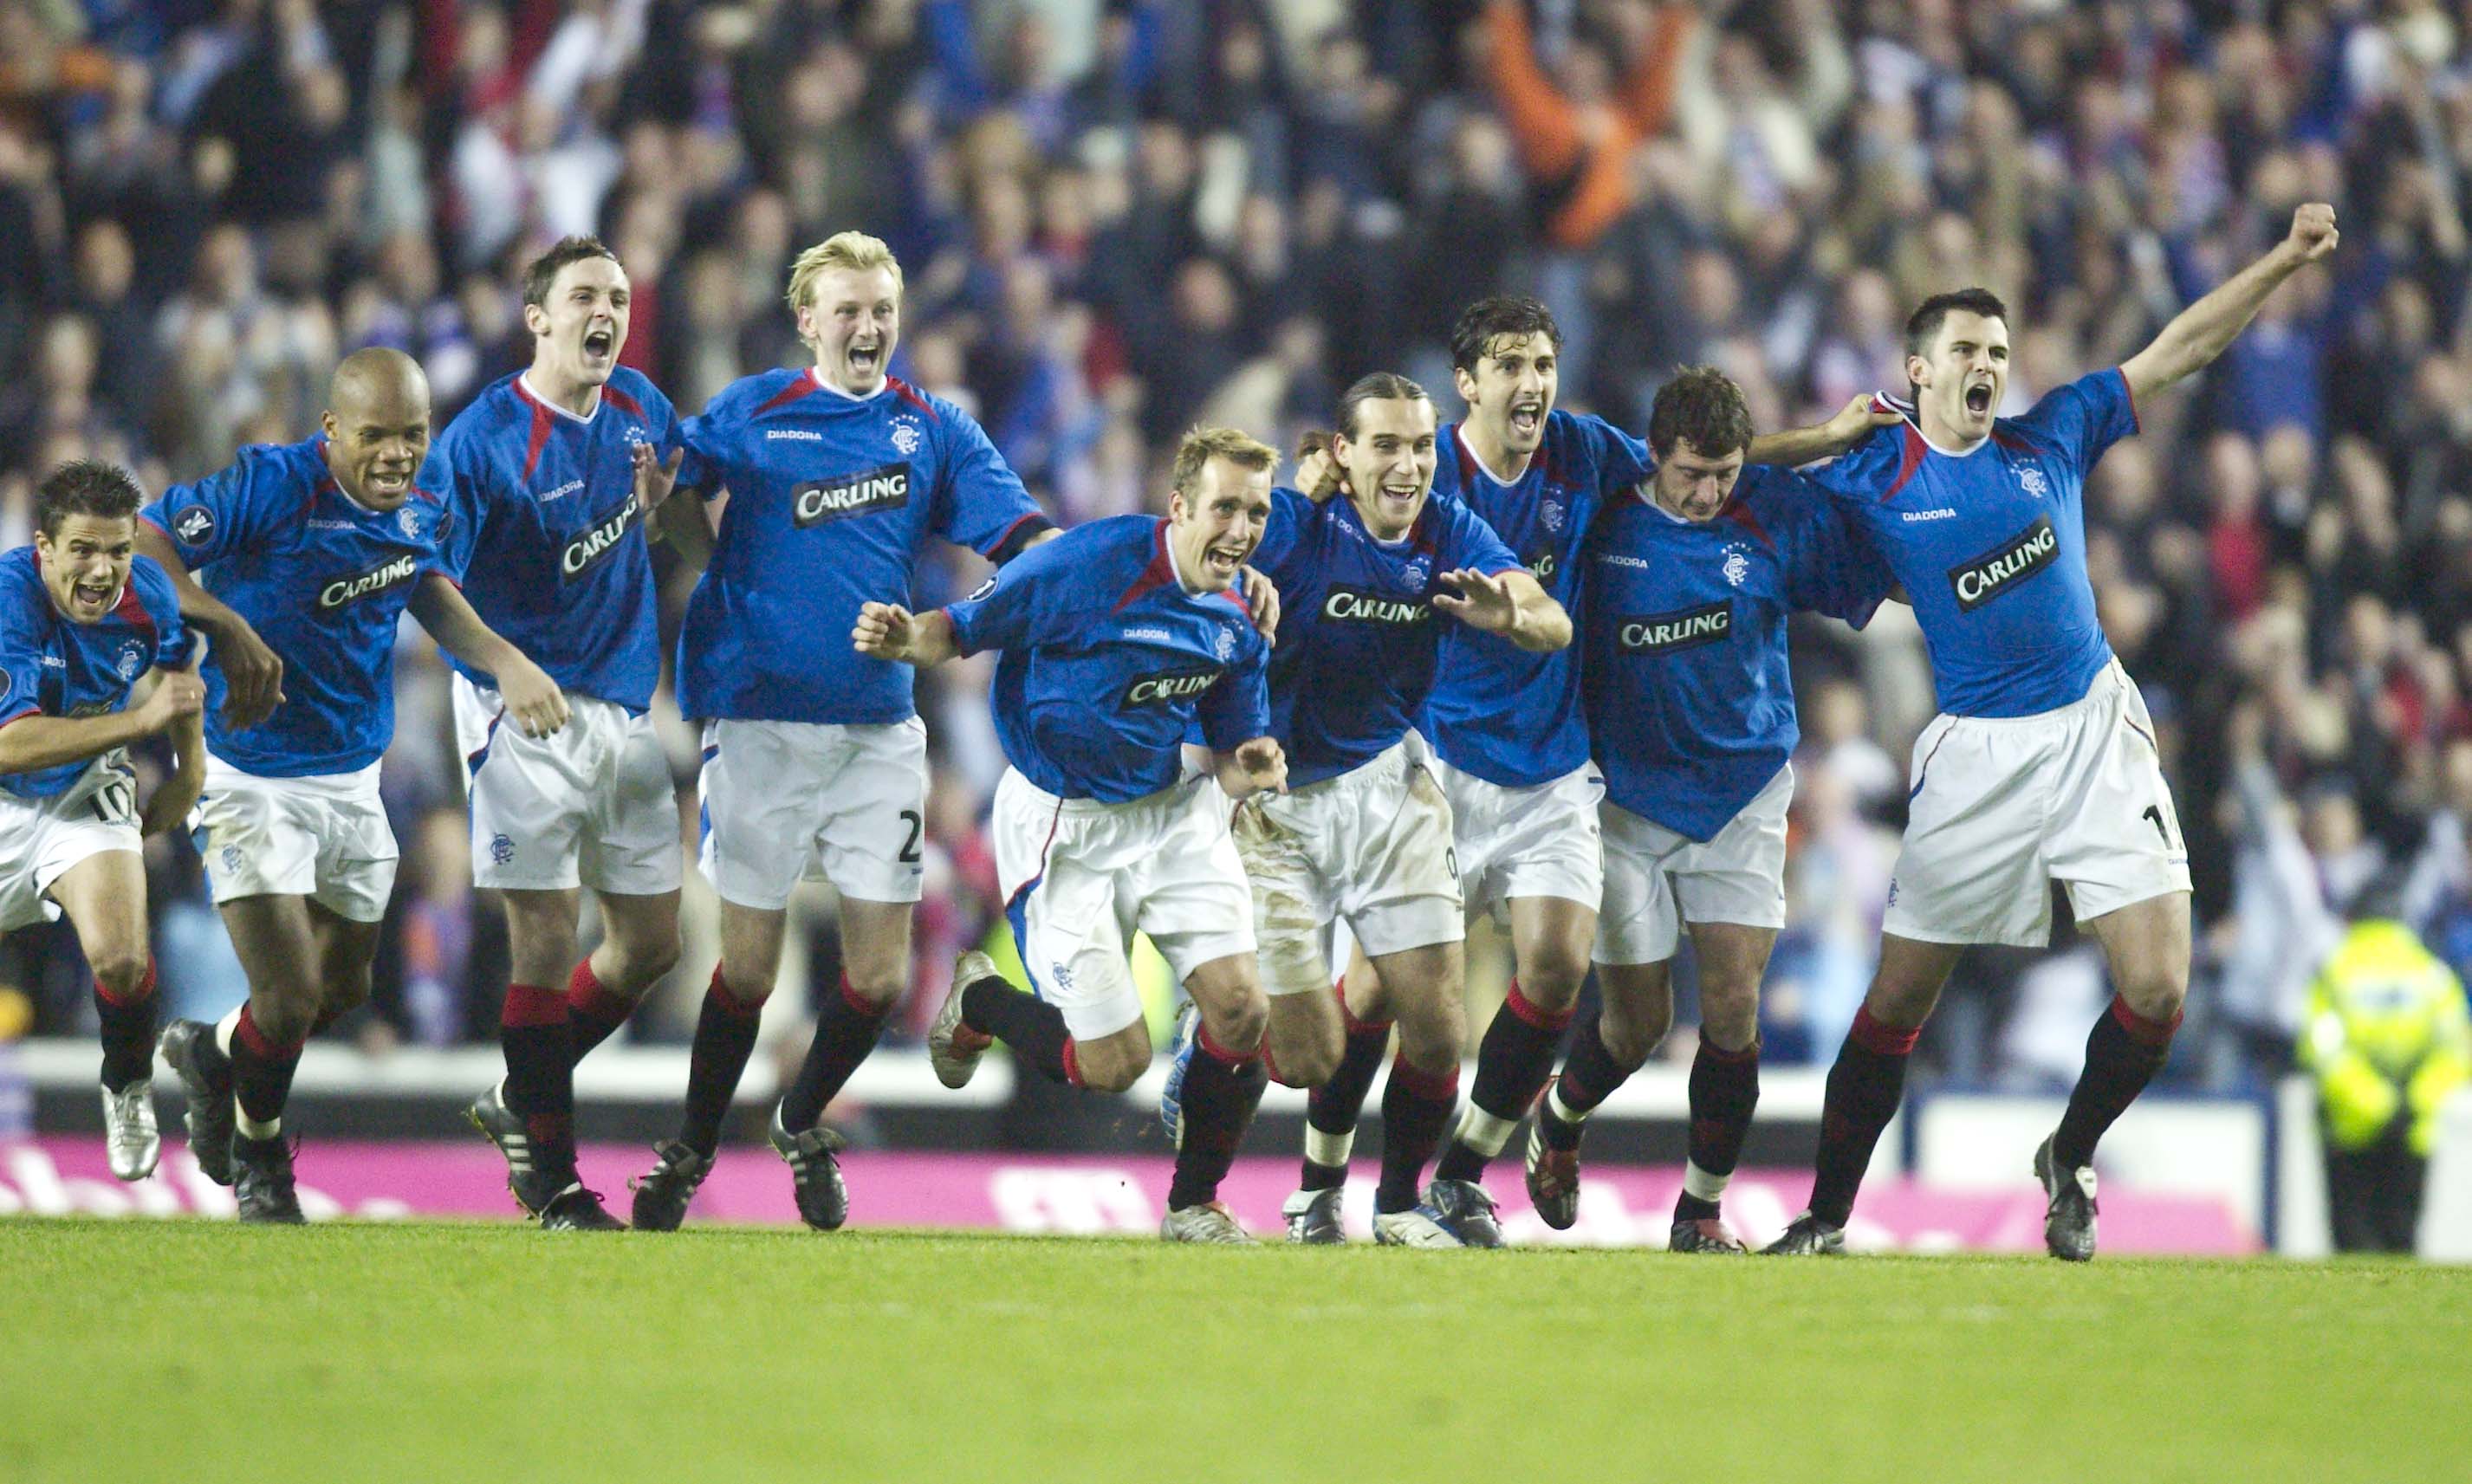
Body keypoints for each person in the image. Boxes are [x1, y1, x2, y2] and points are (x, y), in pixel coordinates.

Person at [1764, 204, 2342, 1260]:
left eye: (1999, 349)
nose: (1987, 364)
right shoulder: (1872, 474)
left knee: (2160, 987)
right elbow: (1713, 477)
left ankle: (2068, 1155)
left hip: (2091, 728)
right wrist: (1822, 436)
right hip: (1976, 753)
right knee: (1898, 1000)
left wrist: (2283, 261)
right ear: (1918, 370)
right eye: (1966, 351)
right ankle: (1825, 1215)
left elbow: (2183, 346)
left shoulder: (2053, 434)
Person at [1314, 296, 1884, 1213]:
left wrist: (1819, 438)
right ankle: (1319, 1183)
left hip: (1555, 769)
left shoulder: (1585, 455)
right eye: (1510, 364)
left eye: (1542, 362)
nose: (1531, 381)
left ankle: (1466, 1177)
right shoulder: (1428, 475)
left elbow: (1699, 475)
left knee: (1562, 973)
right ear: (1467, 384)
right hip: (1441, 762)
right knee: (1382, 995)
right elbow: (1339, 519)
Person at [626, 231, 1056, 1233]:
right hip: (761, 724)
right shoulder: (757, 410)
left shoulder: (932, 430)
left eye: (881, 311)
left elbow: (1029, 543)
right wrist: (664, 508)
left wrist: (960, 624)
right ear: (808, 320)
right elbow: (673, 488)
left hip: (875, 730)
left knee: (878, 977)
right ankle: (689, 1148)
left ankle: (801, 1115)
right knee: (745, 971)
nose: (867, 327)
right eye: (847, 310)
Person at [144, 347, 568, 1222]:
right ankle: (263, 1158)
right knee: (291, 997)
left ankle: (215, 1052)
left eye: (413, 435)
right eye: (375, 436)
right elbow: (147, 544)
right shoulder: (271, 486)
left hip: (351, 777)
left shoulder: (422, 501)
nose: (396, 455)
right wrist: (221, 623)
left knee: (337, 991)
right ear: (332, 430)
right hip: (248, 773)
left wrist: (503, 658)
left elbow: (426, 587)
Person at [860, 426, 1288, 1242]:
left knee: (1241, 1009)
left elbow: (1237, 728)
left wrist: (1253, 755)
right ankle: (980, 995)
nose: (1240, 530)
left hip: (1171, 810)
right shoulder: (1085, 565)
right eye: (1224, 508)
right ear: (1178, 507)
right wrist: (901, 638)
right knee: (1113, 1065)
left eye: (1257, 514)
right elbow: (956, 627)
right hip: (1065, 822)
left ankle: (1192, 1205)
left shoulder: (1240, 609)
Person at [1524, 367, 1894, 1252]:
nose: (1707, 493)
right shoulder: (1605, 513)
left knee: (1732, 1011)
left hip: (1742, 793)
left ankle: (1699, 1211)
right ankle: (1561, 1115)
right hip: (1624, 802)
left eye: (1724, 473)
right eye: (1691, 473)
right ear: (1654, 456)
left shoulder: (1769, 509)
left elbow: (1874, 582)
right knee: (1639, 1023)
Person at [1220, 373, 1567, 1247]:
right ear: (1343, 453)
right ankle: (1304, 1176)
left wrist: (1512, 615)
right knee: (1305, 1057)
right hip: (1280, 801)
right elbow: (1202, 553)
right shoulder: (1295, 525)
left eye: (1420, 445)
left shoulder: (1450, 530)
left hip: (1391, 788)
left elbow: (1550, 618)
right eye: (1386, 445)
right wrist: (1234, 591)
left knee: (1441, 1027)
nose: (1408, 465)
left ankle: (1401, 1204)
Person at [433, 236, 688, 1232]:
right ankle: (552, 1178)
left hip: (621, 704)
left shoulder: (641, 412)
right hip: (519, 702)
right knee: (544, 934)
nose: (608, 314)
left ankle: (517, 1096)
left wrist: (666, 521)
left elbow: (668, 533)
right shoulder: (483, 440)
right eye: (586, 296)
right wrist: (503, 663)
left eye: (620, 298)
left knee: (650, 943)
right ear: (537, 316)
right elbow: (426, 577)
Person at [0, 460, 207, 1182]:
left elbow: (181, 672)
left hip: (85, 786)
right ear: (43, 547)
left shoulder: (148, 594)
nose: (103, 570)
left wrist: (192, 774)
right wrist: (138, 718)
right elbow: (10, 742)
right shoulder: (8, 598)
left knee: (122, 956)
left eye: (117, 550)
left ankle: (126, 1084)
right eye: (83, 550)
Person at [2301, 898, 2471, 1254]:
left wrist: (2377, 1103)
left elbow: (2324, 1049)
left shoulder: (2336, 970)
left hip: (2349, 1127)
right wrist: (2413, 1101)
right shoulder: (2432, 974)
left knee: (2351, 1245)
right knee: (2402, 1242)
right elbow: (2456, 1048)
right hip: (2414, 1129)